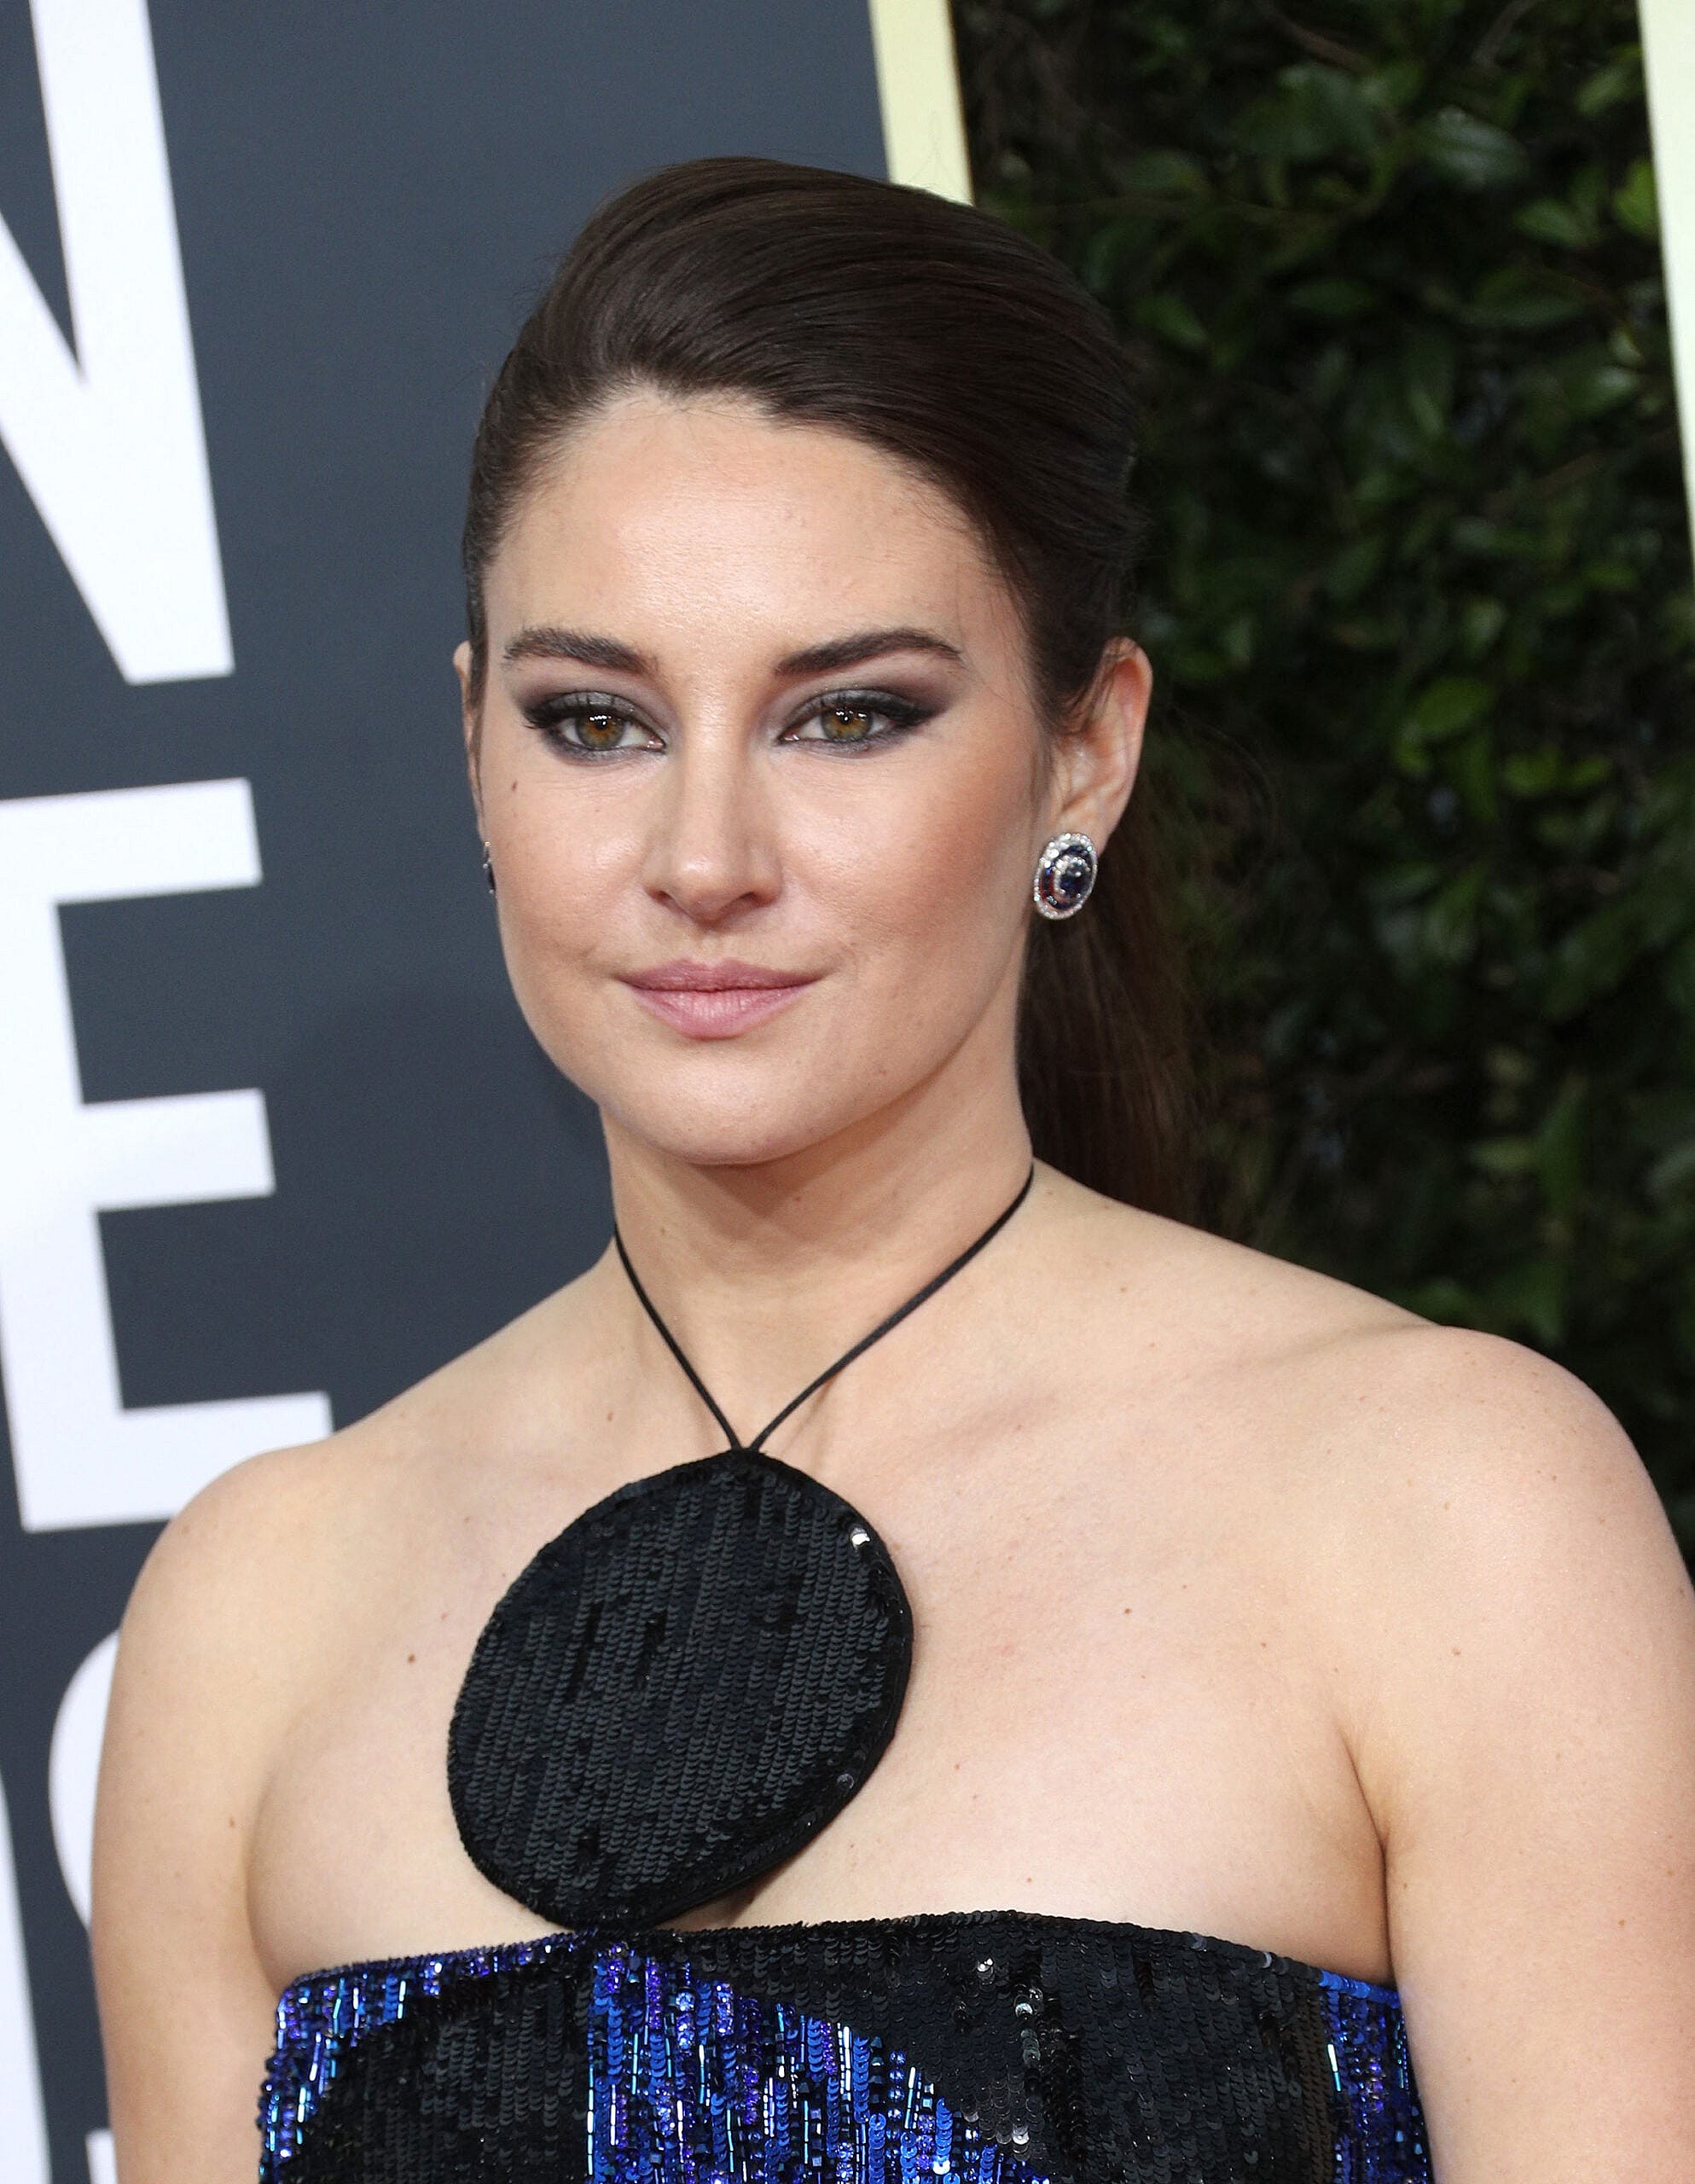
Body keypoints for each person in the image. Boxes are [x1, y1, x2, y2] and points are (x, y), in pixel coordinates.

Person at [91, 156, 1695, 2184]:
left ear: (1082, 753)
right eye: (595, 719)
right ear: (473, 749)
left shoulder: (1448, 1508)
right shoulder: (257, 1606)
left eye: (846, 714)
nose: (702, 856)